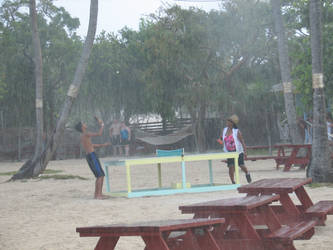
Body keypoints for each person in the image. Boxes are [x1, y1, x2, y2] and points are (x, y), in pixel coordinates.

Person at [75, 118, 110, 199]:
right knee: (100, 175)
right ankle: (99, 195)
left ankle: (97, 194)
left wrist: (103, 145)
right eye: (83, 123)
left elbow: (91, 145)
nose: (85, 123)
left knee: (99, 175)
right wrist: (102, 124)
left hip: (89, 156)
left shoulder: (83, 136)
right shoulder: (86, 133)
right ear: (82, 127)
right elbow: (99, 133)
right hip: (92, 156)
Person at [217, 114, 252, 184]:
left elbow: (242, 142)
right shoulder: (224, 130)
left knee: (241, 165)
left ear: (232, 123)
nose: (227, 122)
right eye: (227, 121)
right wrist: (220, 143)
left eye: (229, 121)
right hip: (229, 153)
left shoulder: (236, 131)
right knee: (231, 167)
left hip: (238, 152)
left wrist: (245, 152)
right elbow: (221, 139)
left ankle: (247, 173)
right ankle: (233, 181)